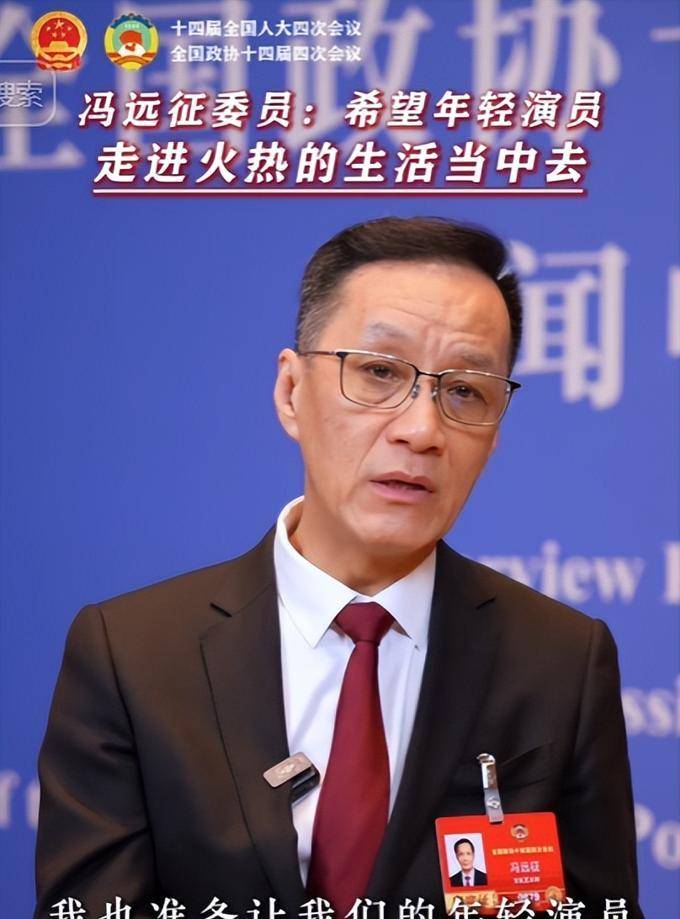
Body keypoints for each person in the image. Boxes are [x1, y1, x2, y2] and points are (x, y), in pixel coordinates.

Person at [34, 217, 644, 919]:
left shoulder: (561, 661)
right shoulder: (131, 654)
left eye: (465, 391)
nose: (421, 430)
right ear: (291, 391)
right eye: (380, 372)